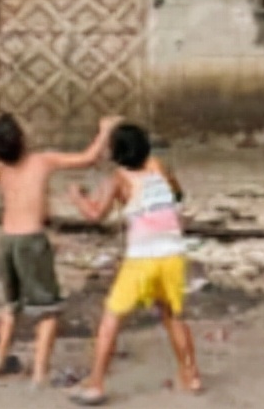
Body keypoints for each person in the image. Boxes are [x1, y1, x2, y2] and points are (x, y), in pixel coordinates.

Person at [0, 113, 122, 388]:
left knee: (11, 306)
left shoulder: (1, 168)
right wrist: (104, 130)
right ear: (22, 139)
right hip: (32, 241)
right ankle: (40, 374)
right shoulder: (42, 161)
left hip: (7, 241)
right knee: (48, 310)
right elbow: (88, 158)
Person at [65, 123, 202, 406]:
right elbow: (177, 195)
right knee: (173, 315)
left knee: (112, 317)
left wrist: (77, 197)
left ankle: (95, 383)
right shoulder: (159, 166)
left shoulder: (118, 179)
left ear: (116, 154)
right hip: (173, 252)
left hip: (142, 258)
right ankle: (191, 376)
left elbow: (95, 214)